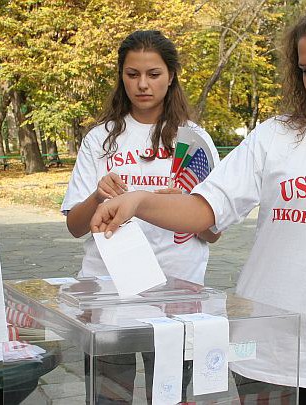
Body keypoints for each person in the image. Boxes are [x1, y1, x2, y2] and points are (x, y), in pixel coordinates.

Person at [89, 1, 306, 404]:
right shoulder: (278, 135)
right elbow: (204, 211)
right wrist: (138, 200)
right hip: (263, 352)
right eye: (305, 70)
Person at [61, 30, 220, 404]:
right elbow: (74, 226)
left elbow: (212, 232)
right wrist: (98, 195)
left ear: (171, 76)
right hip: (106, 293)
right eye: (132, 74)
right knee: (107, 398)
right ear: (121, 76)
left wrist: (185, 204)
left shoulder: (194, 140)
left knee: (167, 398)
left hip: (177, 296)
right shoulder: (100, 139)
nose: (143, 84)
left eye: (153, 73)